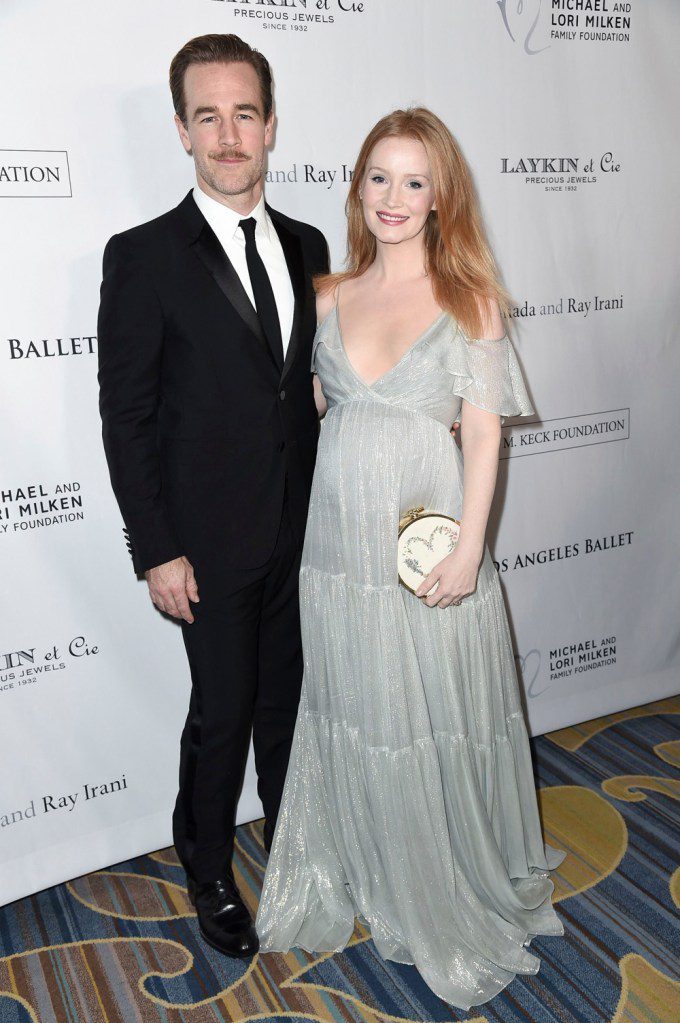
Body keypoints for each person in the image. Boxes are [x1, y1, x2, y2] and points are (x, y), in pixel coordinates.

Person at [255, 108, 565, 1008]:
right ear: (358, 188)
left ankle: (436, 871)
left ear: (441, 197)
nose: (394, 197)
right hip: (338, 547)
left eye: (414, 181)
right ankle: (360, 853)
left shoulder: (472, 299)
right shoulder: (323, 295)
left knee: (426, 711)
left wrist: (472, 545)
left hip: (428, 542)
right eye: (379, 177)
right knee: (356, 702)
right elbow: (306, 413)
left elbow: (479, 435)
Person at [97, 34, 328, 959]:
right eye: (208, 116)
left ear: (271, 126)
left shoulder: (311, 244)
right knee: (223, 711)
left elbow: (305, 386)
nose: (229, 135)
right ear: (184, 130)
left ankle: (295, 843)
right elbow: (129, 417)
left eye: (245, 114)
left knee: (289, 705)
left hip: (304, 531)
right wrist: (157, 549)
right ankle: (205, 869)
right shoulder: (143, 255)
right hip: (207, 542)